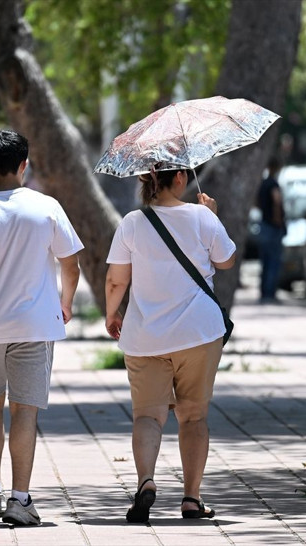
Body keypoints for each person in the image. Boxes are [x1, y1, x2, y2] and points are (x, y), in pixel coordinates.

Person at [0, 129, 83, 526]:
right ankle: (20, 500)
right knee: (25, 410)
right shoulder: (46, 208)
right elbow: (71, 263)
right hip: (35, 324)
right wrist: (65, 303)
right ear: (24, 165)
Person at [105, 168, 236, 523]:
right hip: (198, 334)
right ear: (179, 177)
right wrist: (211, 216)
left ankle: (146, 481)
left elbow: (116, 279)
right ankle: (192, 498)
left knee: (147, 415)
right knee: (193, 415)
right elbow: (226, 261)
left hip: (145, 336)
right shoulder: (202, 217)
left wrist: (112, 313)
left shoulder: (132, 223)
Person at [256, 157, 286, 303]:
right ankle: (269, 293)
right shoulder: (273, 184)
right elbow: (277, 201)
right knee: (273, 261)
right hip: (272, 227)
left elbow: (257, 202)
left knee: (265, 261)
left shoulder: (263, 184)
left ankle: (264, 293)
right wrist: (278, 221)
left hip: (264, 225)